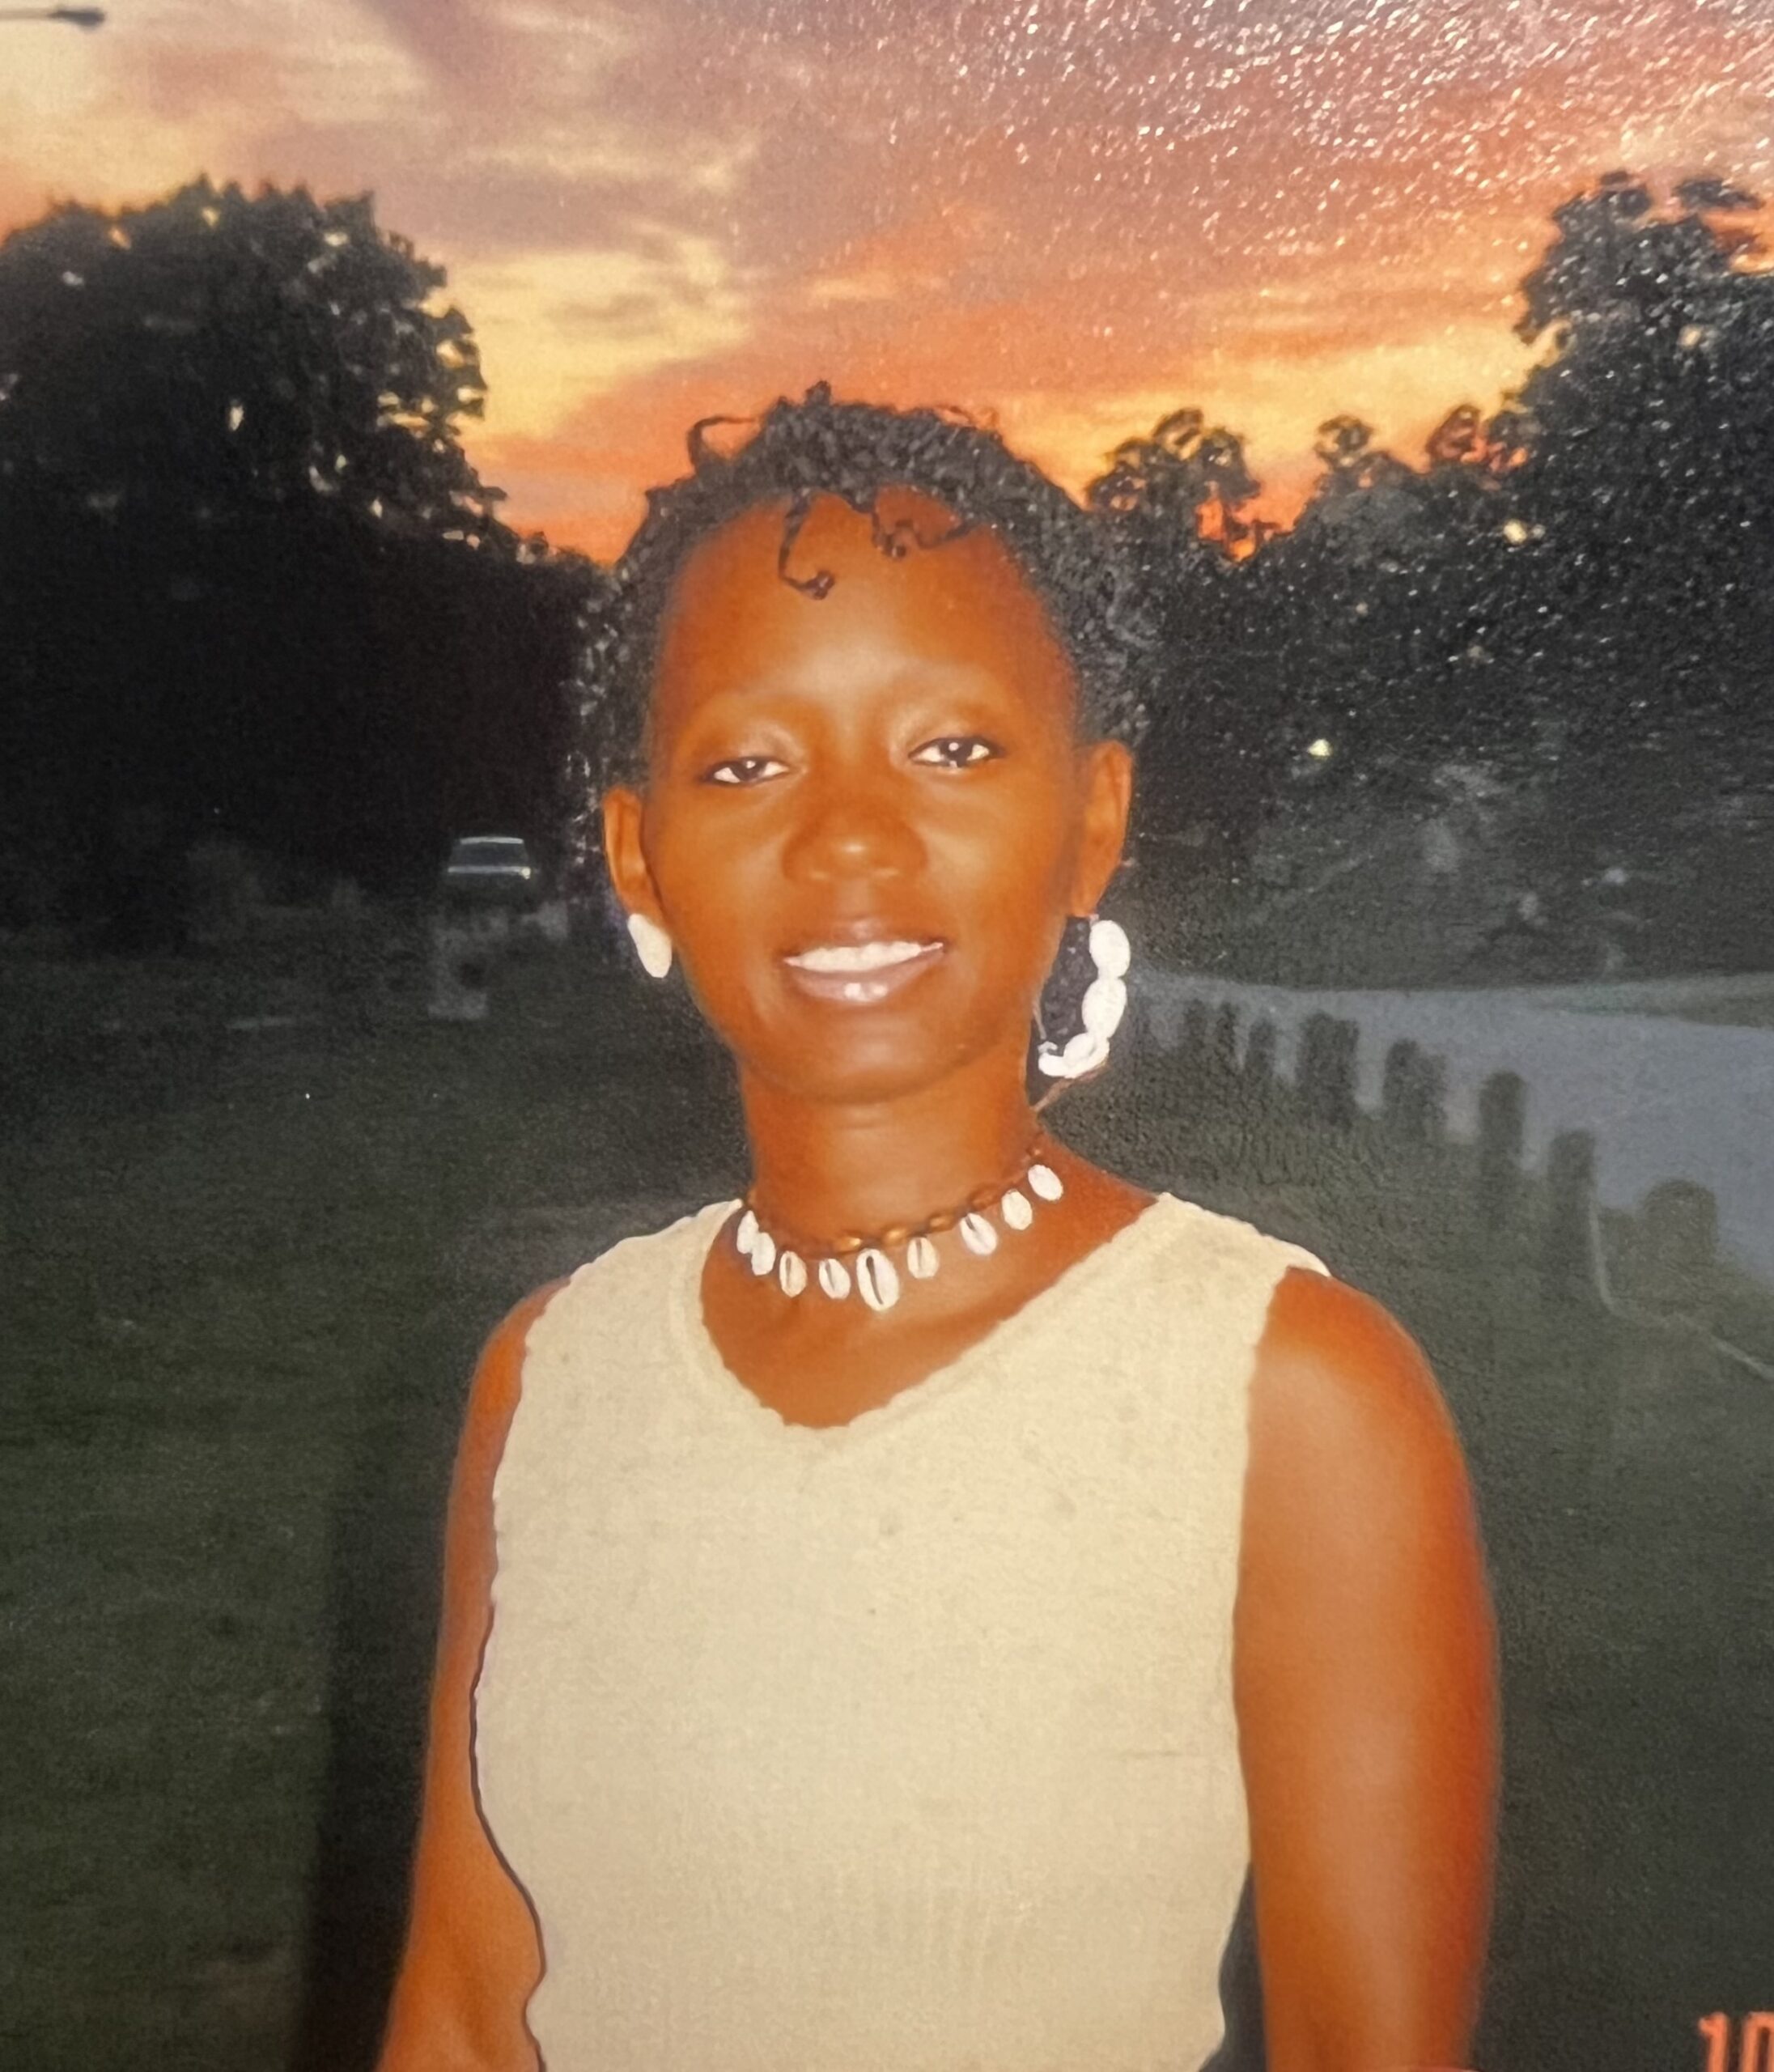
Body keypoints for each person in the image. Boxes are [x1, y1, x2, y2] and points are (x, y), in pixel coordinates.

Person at [375, 388, 1498, 2072]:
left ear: (1092, 818)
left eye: (952, 747)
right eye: (747, 762)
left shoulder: (1289, 1392)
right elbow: (464, 2011)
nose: (847, 834)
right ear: (638, 856)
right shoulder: (547, 1378)